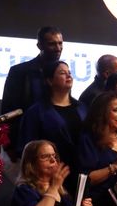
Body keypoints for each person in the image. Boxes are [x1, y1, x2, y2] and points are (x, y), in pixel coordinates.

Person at [17, 61, 88, 189]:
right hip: (50, 176)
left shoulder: (82, 108)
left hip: (81, 173)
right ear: (49, 81)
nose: (68, 76)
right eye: (62, 73)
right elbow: (28, 148)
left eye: (69, 73)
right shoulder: (36, 111)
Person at [1, 26, 64, 160]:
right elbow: (8, 109)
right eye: (52, 44)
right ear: (39, 45)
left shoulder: (63, 72)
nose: (58, 48)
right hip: (27, 142)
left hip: (57, 143)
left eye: (60, 43)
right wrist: (9, 146)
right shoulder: (19, 72)